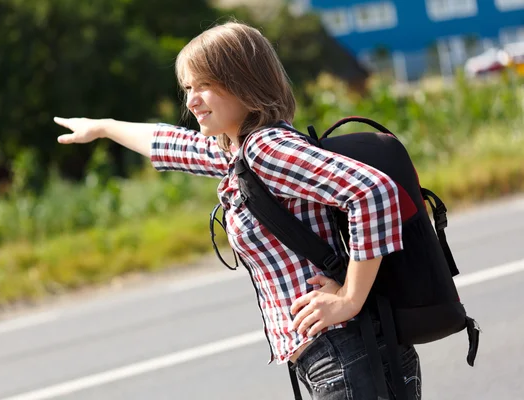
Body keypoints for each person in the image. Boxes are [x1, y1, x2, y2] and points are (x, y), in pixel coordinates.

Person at [54, 21, 421, 400]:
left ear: (243, 81)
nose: (191, 101)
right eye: (187, 89)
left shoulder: (267, 150)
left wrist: (349, 298)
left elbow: (373, 193)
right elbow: (169, 142)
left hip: (348, 355)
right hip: (338, 357)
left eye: (204, 86)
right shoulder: (238, 155)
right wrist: (103, 127)